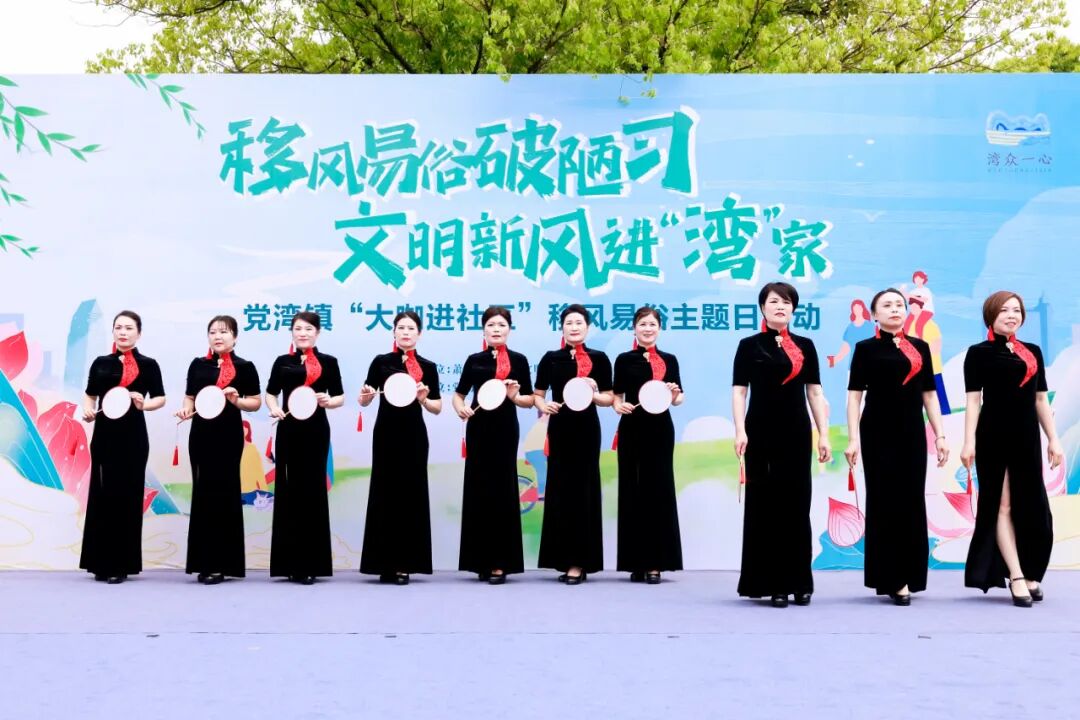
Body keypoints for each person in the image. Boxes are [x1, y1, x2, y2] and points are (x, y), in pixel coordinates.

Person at [845, 289, 948, 605]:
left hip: (912, 432)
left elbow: (929, 394)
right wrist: (853, 438)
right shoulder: (865, 349)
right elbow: (854, 396)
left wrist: (940, 435)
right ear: (874, 314)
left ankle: (910, 574)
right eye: (887, 305)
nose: (895, 309)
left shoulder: (920, 347)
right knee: (883, 500)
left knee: (911, 499)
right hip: (877, 432)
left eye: (899, 305)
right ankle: (890, 577)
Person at [962, 291, 1064, 607]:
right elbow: (973, 401)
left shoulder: (1032, 352)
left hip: (1027, 436)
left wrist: (1054, 439)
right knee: (1002, 505)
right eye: (1004, 310)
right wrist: (968, 442)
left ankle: (1031, 571)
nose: (1011, 315)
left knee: (1033, 507)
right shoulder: (977, 353)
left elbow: (1040, 399)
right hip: (993, 435)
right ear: (990, 316)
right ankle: (1017, 575)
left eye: (1016, 310)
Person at [733, 282, 831, 608]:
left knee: (796, 504)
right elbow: (739, 391)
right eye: (774, 301)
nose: (780, 307)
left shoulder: (805, 345)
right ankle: (773, 583)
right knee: (766, 504)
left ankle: (799, 582)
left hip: (796, 432)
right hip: (760, 431)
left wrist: (823, 434)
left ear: (793, 309)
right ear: (762, 307)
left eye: (786, 302)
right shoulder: (749, 345)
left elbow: (814, 392)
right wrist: (740, 430)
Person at [80, 310, 166, 584]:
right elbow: (90, 396)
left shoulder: (149, 364)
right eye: (118, 327)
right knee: (102, 495)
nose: (123, 332)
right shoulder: (101, 363)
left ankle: (121, 564)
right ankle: (99, 562)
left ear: (139, 333)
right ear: (113, 332)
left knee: (127, 496)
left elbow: (160, 398)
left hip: (133, 436)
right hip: (104, 435)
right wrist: (88, 411)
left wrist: (144, 404)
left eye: (129, 328)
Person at [176, 315, 262, 584]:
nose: (218, 336)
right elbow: (189, 397)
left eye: (224, 332)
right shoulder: (198, 365)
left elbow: (256, 402)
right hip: (200, 435)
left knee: (225, 493)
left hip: (228, 435)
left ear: (235, 337)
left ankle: (222, 564)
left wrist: (237, 401)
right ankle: (202, 562)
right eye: (213, 332)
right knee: (203, 494)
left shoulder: (245, 367)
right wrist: (186, 410)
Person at [452, 306, 534, 584]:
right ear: (483, 330)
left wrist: (515, 395)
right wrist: (461, 408)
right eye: (491, 325)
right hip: (478, 429)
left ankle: (500, 563)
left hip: (505, 429)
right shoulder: (474, 360)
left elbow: (529, 400)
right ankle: (479, 560)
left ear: (509, 329)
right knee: (479, 488)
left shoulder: (519, 360)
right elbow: (459, 395)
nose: (496, 329)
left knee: (503, 489)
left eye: (501, 325)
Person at [358, 310, 442, 585]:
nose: (406, 332)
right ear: (393, 332)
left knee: (411, 495)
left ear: (419, 334)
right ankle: (383, 563)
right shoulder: (381, 362)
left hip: (414, 435)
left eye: (411, 328)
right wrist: (365, 396)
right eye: (401, 328)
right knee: (384, 493)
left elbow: (437, 407)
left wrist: (424, 399)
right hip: (385, 433)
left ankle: (405, 564)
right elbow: (364, 399)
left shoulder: (428, 366)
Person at [533, 304, 614, 585]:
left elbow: (609, 398)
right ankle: (561, 558)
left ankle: (580, 562)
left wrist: (593, 392)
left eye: (579, 322)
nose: (574, 327)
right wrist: (545, 405)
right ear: (562, 328)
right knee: (560, 489)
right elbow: (538, 394)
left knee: (584, 491)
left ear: (588, 328)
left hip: (587, 429)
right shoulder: (551, 358)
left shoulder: (599, 358)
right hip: (560, 428)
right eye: (569, 323)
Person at [265, 311, 345, 585]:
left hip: (316, 430)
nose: (303, 333)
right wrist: (274, 408)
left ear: (317, 333)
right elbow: (271, 393)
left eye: (309, 329)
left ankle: (311, 564)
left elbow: (340, 397)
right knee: (288, 490)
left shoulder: (329, 362)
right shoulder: (282, 362)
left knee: (313, 491)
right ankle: (288, 564)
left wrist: (328, 401)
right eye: (298, 328)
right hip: (288, 430)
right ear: (292, 332)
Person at [612, 306, 684, 584]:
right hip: (632, 428)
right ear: (634, 328)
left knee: (658, 491)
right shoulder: (623, 359)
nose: (647, 329)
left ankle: (656, 563)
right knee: (632, 490)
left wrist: (674, 394)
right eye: (642, 324)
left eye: (652, 324)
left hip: (660, 430)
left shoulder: (669, 359)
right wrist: (619, 406)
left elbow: (678, 398)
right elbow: (616, 396)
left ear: (659, 328)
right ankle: (635, 562)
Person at [828, 299, 873, 369]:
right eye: (855, 309)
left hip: (871, 366)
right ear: (853, 311)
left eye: (859, 308)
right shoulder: (850, 328)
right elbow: (846, 348)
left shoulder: (871, 326)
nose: (857, 310)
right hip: (854, 367)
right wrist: (834, 360)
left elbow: (878, 345)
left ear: (863, 309)